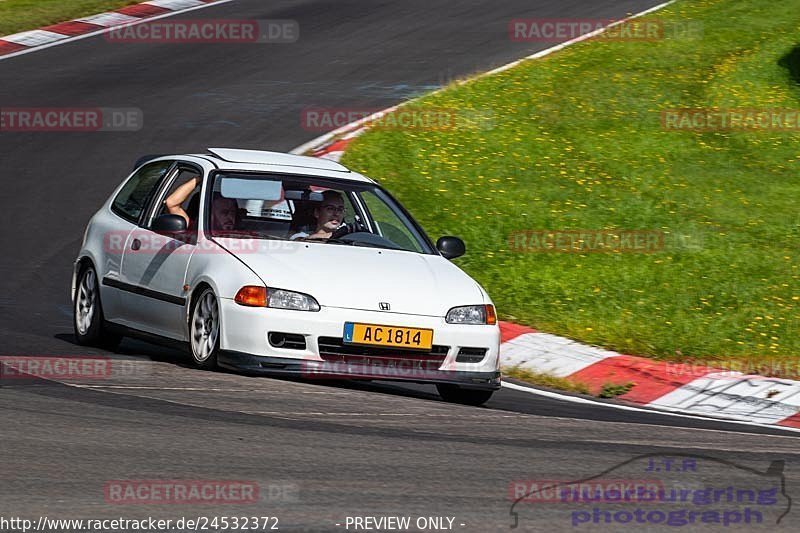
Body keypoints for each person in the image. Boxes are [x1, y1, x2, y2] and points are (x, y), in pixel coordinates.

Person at [164, 177, 237, 232]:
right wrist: (202, 178)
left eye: (232, 212)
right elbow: (171, 203)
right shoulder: (195, 230)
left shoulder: (244, 233)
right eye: (224, 212)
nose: (230, 217)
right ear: (209, 213)